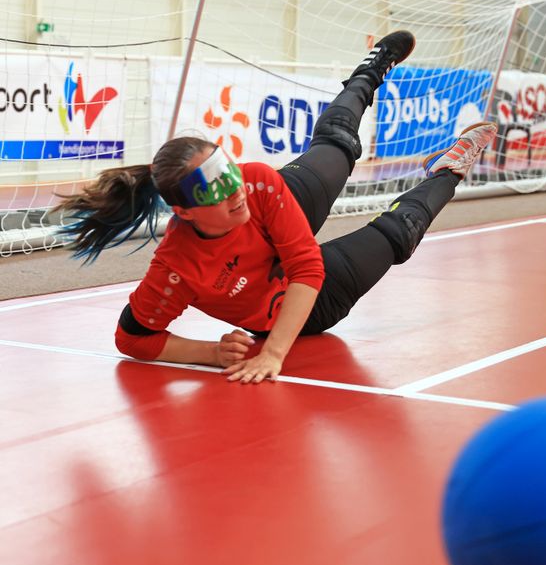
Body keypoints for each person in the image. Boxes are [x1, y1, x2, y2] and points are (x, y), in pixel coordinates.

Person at [57, 31, 497, 384]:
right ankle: (450, 170)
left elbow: (304, 263)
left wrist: (272, 356)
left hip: (282, 216)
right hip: (298, 307)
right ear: (185, 214)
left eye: (229, 175)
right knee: (399, 234)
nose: (234, 193)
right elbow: (133, 338)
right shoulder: (179, 266)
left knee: (338, 146)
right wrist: (210, 353)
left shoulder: (256, 185)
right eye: (216, 192)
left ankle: (369, 71)